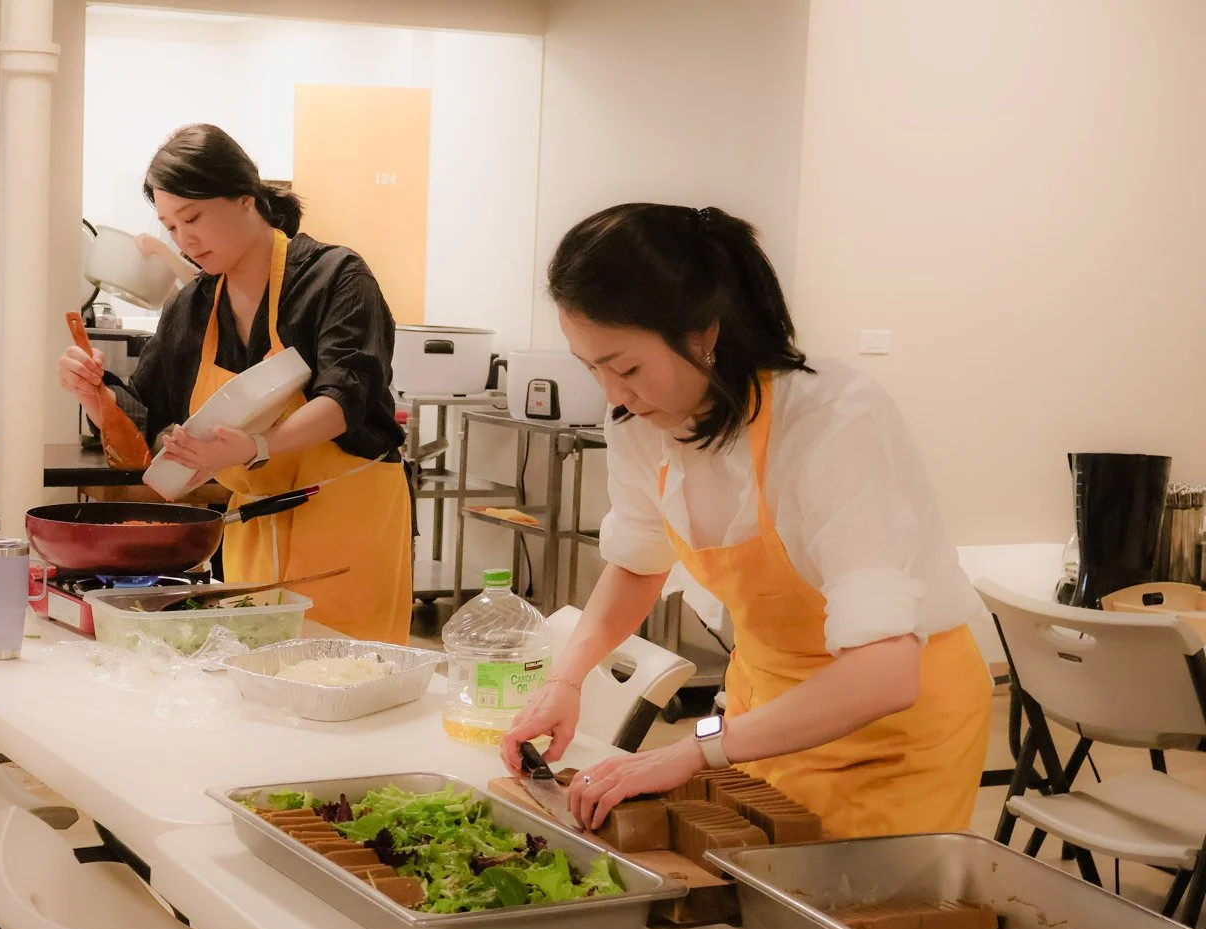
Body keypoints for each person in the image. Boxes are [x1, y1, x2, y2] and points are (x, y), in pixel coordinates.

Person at [500, 203, 991, 838]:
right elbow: (638, 564)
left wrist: (693, 750)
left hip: (893, 738)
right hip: (763, 717)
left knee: (846, 896)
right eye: (590, 367)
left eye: (626, 368)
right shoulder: (640, 425)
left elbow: (884, 673)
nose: (613, 393)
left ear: (704, 334)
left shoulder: (833, 421)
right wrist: (565, 681)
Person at [58, 124, 412, 644]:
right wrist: (99, 399)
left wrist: (256, 446)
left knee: (347, 669)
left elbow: (346, 396)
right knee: (254, 665)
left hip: (346, 520)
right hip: (254, 526)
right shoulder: (192, 306)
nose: (184, 240)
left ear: (246, 197)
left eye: (192, 218)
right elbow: (147, 422)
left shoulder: (335, 276)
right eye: (170, 226)